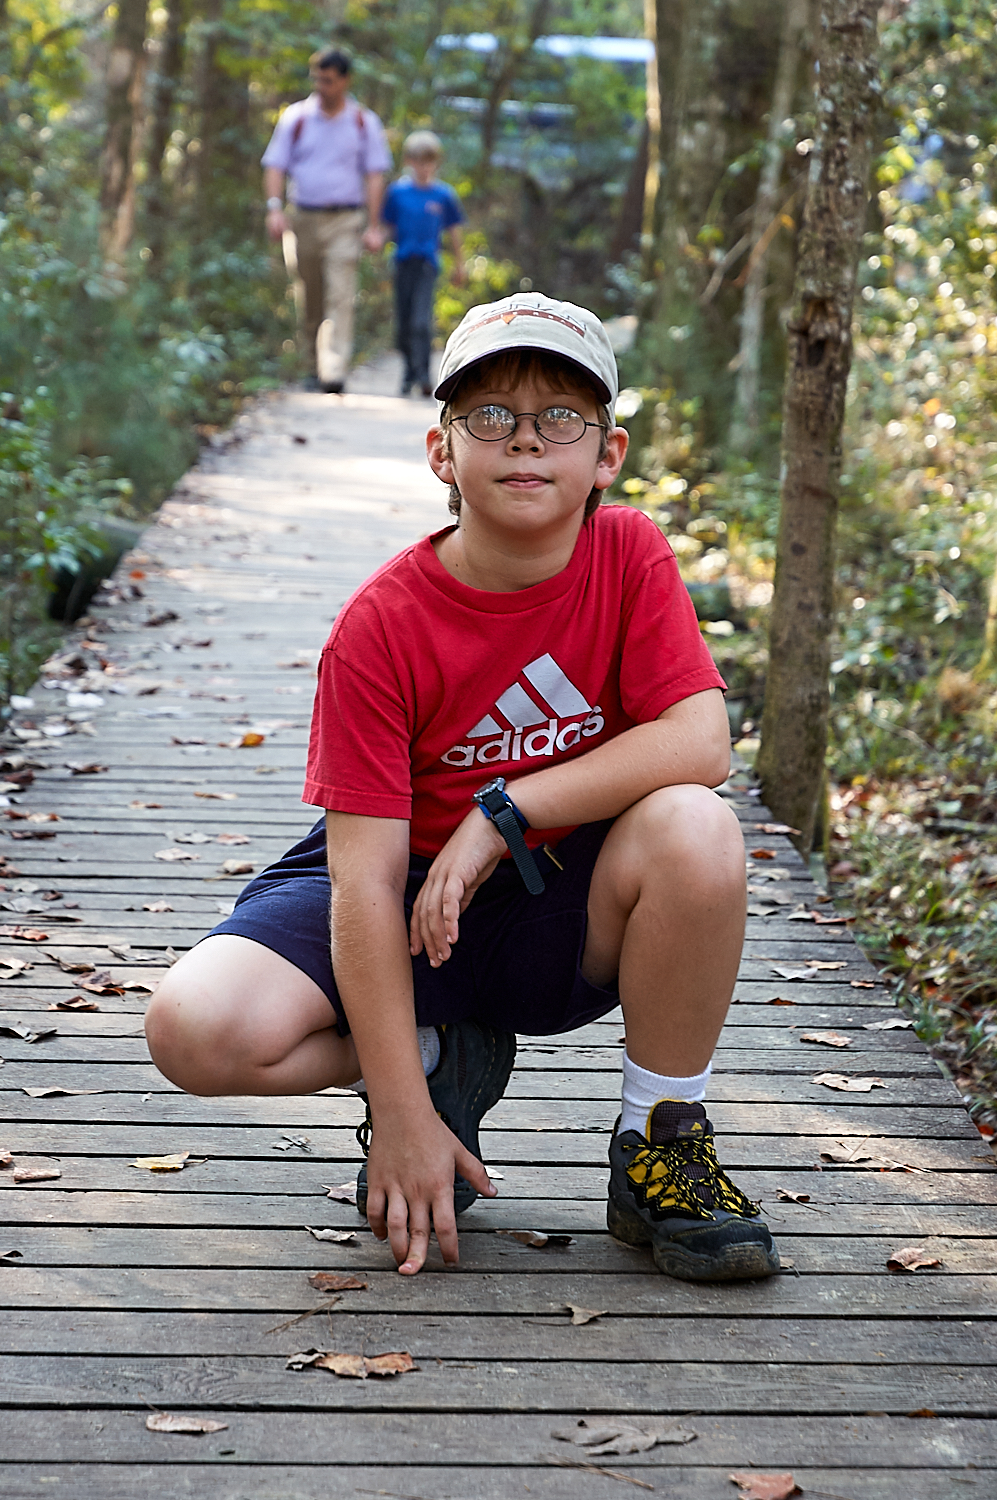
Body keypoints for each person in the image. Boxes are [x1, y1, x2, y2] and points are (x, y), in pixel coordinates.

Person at [145, 291, 779, 1287]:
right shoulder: (380, 626)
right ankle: (433, 1057)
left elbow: (701, 742)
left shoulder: (628, 554)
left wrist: (505, 812)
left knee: (696, 826)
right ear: (442, 452)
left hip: (556, 898)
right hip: (400, 890)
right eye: (490, 415)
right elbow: (362, 883)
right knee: (192, 1028)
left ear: (606, 454)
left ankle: (660, 1144)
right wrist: (401, 1111)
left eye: (559, 417)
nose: (525, 440)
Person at [262, 47, 392, 394]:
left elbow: (375, 175)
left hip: (345, 219)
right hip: (302, 217)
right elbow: (275, 165)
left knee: (340, 293)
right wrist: (274, 209)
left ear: (345, 81)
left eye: (329, 80)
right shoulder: (296, 118)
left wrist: (374, 226)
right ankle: (310, 365)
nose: (322, 86)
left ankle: (333, 370)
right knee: (309, 295)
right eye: (317, 79)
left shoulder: (363, 122)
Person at [383, 131, 466, 397]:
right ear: (409, 161)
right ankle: (409, 372)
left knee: (421, 321)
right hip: (402, 262)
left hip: (427, 264)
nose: (423, 167)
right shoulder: (397, 193)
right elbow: (386, 227)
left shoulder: (443, 195)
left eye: (428, 161)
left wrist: (460, 264)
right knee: (404, 323)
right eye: (418, 161)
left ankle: (424, 374)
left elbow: (454, 231)